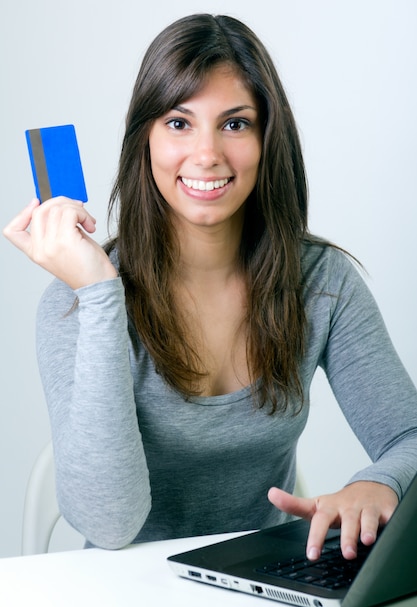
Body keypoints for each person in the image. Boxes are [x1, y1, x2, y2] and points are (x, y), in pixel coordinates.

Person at [4, 14, 417, 560]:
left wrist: (380, 482)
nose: (207, 155)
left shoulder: (321, 282)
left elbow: (406, 438)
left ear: (268, 137)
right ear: (144, 139)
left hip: (264, 585)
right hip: (122, 597)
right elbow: (110, 524)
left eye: (235, 123)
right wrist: (101, 294)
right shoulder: (76, 300)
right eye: (179, 123)